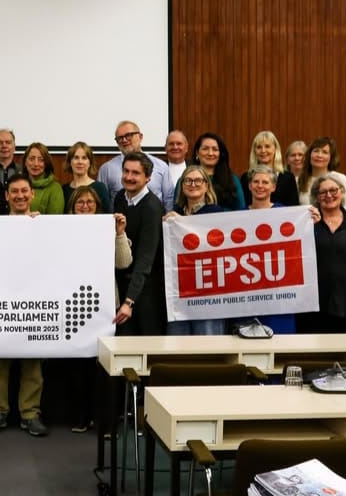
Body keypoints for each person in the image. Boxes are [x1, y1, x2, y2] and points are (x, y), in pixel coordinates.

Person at [0, 176, 48, 437]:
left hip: (33, 302)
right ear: (6, 196)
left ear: (32, 194)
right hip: (0, 300)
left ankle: (30, 413)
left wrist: (40, 228)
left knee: (32, 360)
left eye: (24, 191)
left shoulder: (44, 225)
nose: (20, 196)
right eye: (14, 192)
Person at [67, 185, 132, 432]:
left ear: (98, 207)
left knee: (104, 365)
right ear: (72, 208)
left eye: (90, 203)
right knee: (78, 365)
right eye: (80, 203)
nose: (85, 207)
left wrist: (119, 234)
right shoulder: (62, 229)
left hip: (104, 305)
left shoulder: (107, 229)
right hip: (73, 303)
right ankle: (81, 416)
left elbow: (124, 263)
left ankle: (105, 420)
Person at [296, 174, 346, 334]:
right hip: (313, 306)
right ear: (316, 197)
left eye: (333, 190)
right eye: (323, 192)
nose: (329, 195)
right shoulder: (306, 224)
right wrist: (308, 227)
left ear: (342, 192)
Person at [165, 165, 227, 335]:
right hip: (180, 290)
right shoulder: (175, 213)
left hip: (208, 290)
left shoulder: (216, 212)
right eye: (188, 181)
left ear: (206, 185)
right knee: (178, 342)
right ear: (182, 186)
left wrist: (182, 222)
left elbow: (213, 244)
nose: (193, 184)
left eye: (198, 180)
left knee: (207, 341)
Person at [111, 152, 166, 336]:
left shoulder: (152, 207)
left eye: (135, 173)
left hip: (145, 294)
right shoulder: (120, 197)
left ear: (148, 177)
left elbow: (145, 259)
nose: (129, 177)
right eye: (126, 171)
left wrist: (129, 301)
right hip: (124, 287)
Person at [244, 165, 300, 334]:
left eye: (265, 182)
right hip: (248, 292)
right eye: (256, 182)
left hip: (279, 292)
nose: (260, 186)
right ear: (249, 186)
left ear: (273, 187)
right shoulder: (237, 216)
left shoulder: (288, 214)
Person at [99, 121, 173, 208]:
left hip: (154, 215)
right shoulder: (107, 169)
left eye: (129, 135)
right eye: (120, 138)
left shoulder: (161, 166)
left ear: (140, 136)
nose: (124, 140)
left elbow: (169, 200)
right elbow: (101, 203)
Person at [240, 130, 299, 206]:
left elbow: (294, 208)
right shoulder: (246, 177)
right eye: (259, 147)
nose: (263, 150)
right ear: (254, 151)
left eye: (267, 146)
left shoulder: (288, 178)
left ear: (275, 149)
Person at [188, 132, 244, 211]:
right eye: (205, 149)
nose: (210, 153)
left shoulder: (232, 179)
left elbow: (241, 210)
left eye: (215, 149)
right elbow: (178, 208)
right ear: (197, 153)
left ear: (220, 154)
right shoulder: (186, 179)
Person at [297, 136, 346, 212]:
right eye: (316, 151)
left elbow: (345, 208)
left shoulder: (340, 178)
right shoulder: (300, 179)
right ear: (309, 155)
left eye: (325, 152)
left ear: (331, 157)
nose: (319, 155)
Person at [61, 141, 110, 212]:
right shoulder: (63, 190)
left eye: (84, 158)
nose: (80, 162)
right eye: (76, 158)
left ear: (90, 163)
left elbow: (107, 215)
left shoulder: (100, 188)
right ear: (70, 162)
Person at [22, 142, 64, 215]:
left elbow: (55, 219)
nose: (36, 164)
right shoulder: (17, 185)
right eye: (31, 159)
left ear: (46, 163)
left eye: (41, 160)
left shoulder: (55, 188)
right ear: (25, 162)